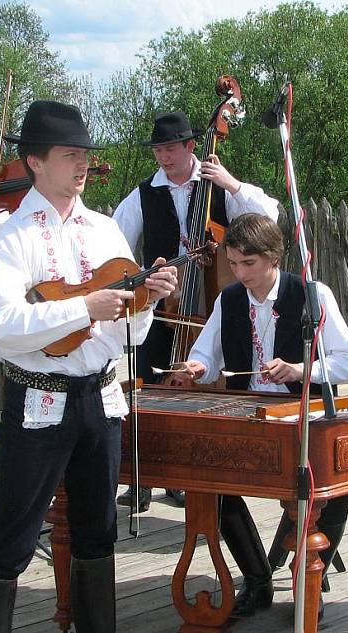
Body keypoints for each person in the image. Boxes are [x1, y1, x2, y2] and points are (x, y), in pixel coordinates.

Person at [0, 100, 178, 633]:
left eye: (85, 154)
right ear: (35, 162)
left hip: (100, 398)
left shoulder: (105, 229)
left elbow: (128, 335)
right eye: (70, 155)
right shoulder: (12, 236)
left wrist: (148, 301)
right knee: (13, 534)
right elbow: (1, 323)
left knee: (97, 532)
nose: (83, 164)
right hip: (38, 400)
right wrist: (83, 307)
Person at [170, 214, 348, 620]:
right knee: (211, 485)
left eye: (249, 264)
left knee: (337, 492)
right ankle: (257, 580)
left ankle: (307, 579)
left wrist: (298, 369)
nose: (240, 273)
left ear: (273, 257)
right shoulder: (229, 299)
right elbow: (208, 354)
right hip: (248, 413)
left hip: (302, 414)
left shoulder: (313, 294)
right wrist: (196, 367)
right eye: (235, 263)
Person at [113, 111, 280, 511]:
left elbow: (269, 217)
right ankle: (141, 477)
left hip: (208, 307)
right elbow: (115, 245)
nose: (163, 156)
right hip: (163, 306)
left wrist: (230, 182)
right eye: (157, 149)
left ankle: (194, 474)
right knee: (147, 387)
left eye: (170, 147)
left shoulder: (217, 185)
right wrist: (141, 282)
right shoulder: (145, 193)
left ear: (191, 146)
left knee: (202, 392)